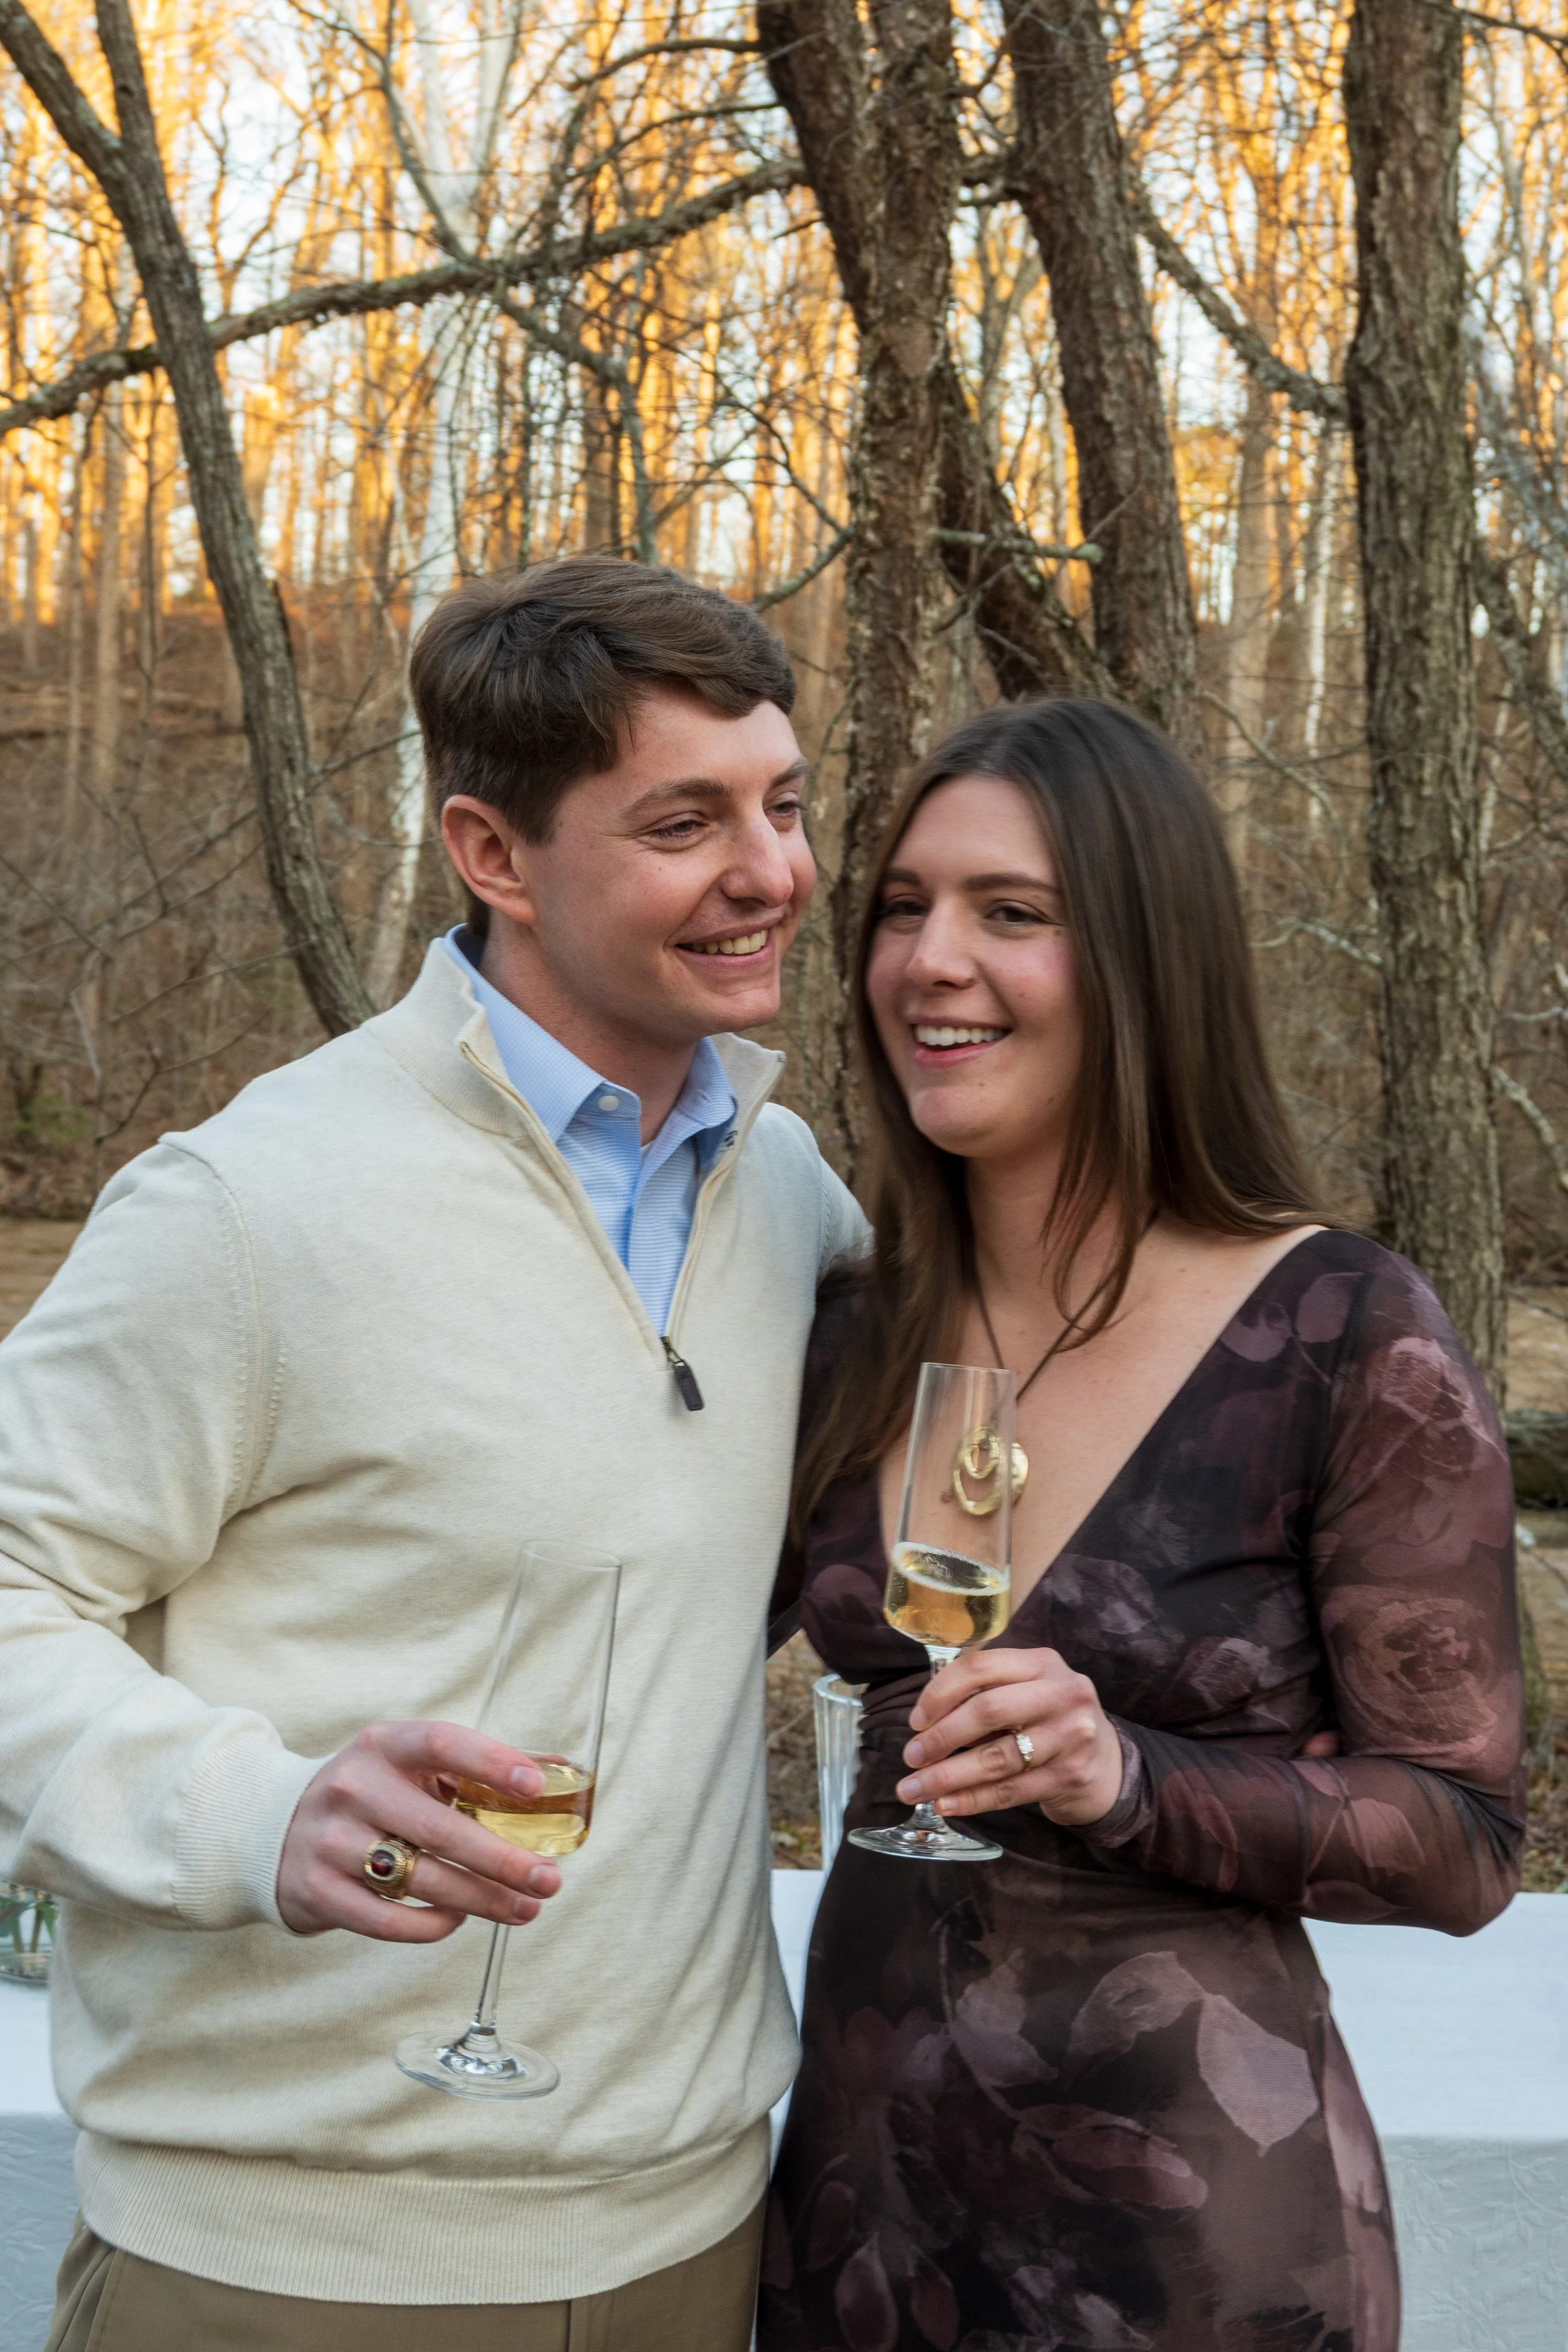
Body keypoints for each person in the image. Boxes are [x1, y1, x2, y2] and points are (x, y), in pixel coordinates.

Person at [0, 556, 866, 2352]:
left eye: (782, 806)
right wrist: (255, 1810)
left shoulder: (787, 1195)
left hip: (692, 2239)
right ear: (492, 854)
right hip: (284, 2267)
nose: (771, 872)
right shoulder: (250, 1206)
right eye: (685, 822)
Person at [761, 697, 1523, 2352]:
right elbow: (620, 1629)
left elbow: (1464, 1837)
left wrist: (1126, 1774)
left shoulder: (1337, 1333)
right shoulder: (846, 1330)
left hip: (1194, 2246)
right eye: (903, 907)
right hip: (862, 2220)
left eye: (1010, 912)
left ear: (1143, 962)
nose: (930, 961)